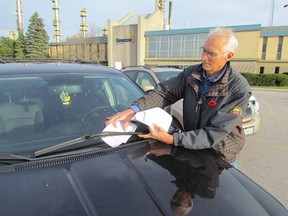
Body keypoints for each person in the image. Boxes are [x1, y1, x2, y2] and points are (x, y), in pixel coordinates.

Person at [105, 27, 251, 164]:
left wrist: (172, 139)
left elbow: (214, 133)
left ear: (229, 56)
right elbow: (164, 92)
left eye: (211, 54)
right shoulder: (192, 74)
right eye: (204, 50)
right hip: (189, 148)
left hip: (218, 155)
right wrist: (134, 110)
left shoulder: (238, 89)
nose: (204, 58)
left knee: (216, 191)